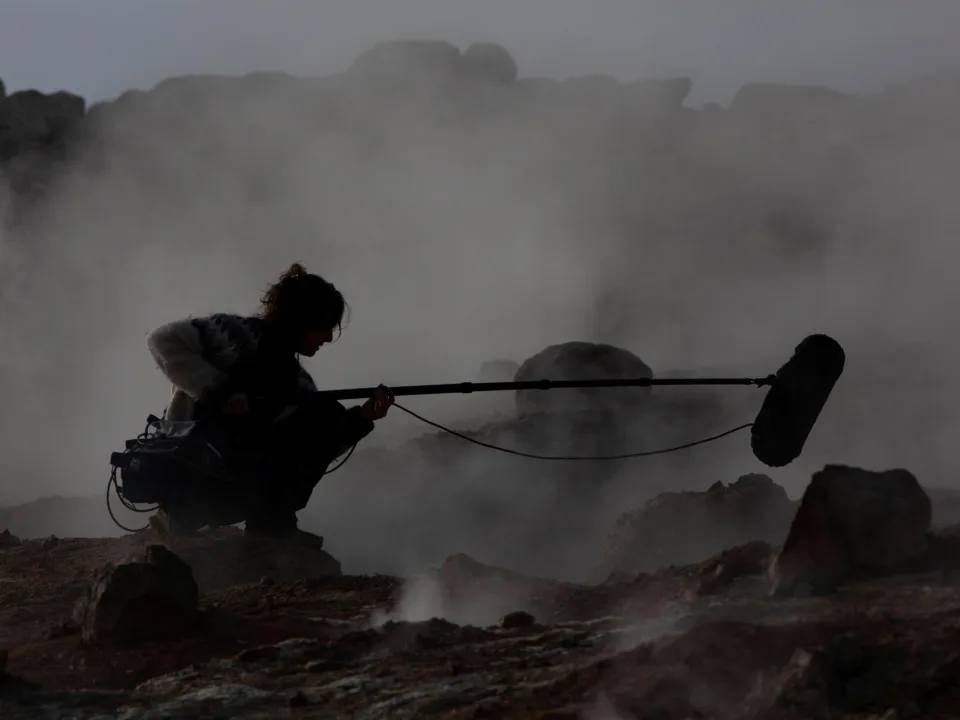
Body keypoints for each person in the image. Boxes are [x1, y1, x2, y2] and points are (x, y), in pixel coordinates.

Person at [144, 262, 394, 539]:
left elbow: (312, 445)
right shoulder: (235, 334)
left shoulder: (298, 383)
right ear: (304, 320)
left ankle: (271, 525)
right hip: (192, 472)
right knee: (321, 415)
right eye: (324, 327)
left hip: (230, 484)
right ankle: (187, 518)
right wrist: (218, 391)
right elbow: (161, 340)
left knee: (325, 415)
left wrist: (361, 419)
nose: (328, 337)